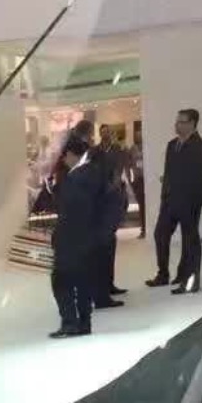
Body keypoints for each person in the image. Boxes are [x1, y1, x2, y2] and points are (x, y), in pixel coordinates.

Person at [146, 108, 202, 294]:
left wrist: (190, 198)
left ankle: (190, 280)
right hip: (169, 200)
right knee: (160, 234)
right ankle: (163, 274)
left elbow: (197, 177)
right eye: (177, 121)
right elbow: (170, 171)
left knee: (190, 241)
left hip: (189, 201)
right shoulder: (172, 145)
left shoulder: (199, 146)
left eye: (181, 122)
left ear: (192, 124)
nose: (177, 125)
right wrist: (166, 189)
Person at [49, 133, 99, 338]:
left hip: (72, 239)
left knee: (61, 280)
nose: (62, 160)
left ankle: (70, 322)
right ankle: (84, 322)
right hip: (86, 238)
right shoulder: (92, 172)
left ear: (71, 154)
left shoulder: (76, 178)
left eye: (64, 155)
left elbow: (69, 210)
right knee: (82, 281)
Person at [94, 124, 129, 306]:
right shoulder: (95, 151)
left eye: (108, 132)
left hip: (113, 199)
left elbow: (119, 170)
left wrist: (114, 186)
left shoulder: (117, 150)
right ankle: (103, 287)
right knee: (104, 246)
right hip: (101, 200)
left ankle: (110, 284)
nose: (105, 135)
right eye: (103, 132)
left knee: (110, 243)